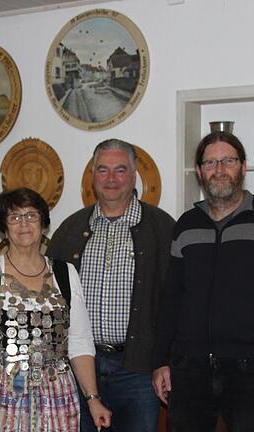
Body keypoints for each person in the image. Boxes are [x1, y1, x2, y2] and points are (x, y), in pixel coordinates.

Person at [151, 132, 254, 431]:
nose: (219, 170)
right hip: (189, 369)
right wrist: (160, 361)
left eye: (228, 161)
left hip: (250, 372)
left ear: (243, 167)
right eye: (210, 162)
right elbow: (171, 298)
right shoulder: (185, 224)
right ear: (199, 171)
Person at [0, 188, 112, 431]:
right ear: (3, 229)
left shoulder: (65, 274)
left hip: (58, 397)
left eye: (31, 215)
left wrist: (93, 399)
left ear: (44, 225)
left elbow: (80, 343)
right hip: (3, 397)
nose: (23, 223)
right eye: (14, 217)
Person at [47, 139, 175, 432]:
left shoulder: (162, 228)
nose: (112, 179)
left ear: (133, 176)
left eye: (120, 170)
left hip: (139, 371)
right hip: (81, 368)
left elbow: (178, 302)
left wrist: (166, 360)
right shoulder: (69, 230)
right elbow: (51, 301)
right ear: (92, 176)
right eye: (103, 170)